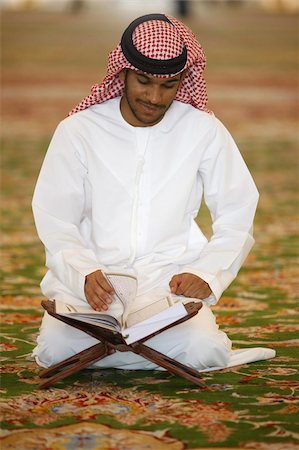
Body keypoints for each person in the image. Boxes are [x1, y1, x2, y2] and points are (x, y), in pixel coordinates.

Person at [32, 13, 275, 371]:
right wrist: (81, 270)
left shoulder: (202, 130)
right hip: (95, 281)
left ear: (182, 82)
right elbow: (56, 217)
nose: (154, 97)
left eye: (169, 85)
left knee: (202, 348)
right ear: (124, 73)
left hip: (166, 279)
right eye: (143, 81)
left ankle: (114, 355)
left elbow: (237, 212)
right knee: (55, 349)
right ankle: (145, 354)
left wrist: (207, 273)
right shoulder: (79, 130)